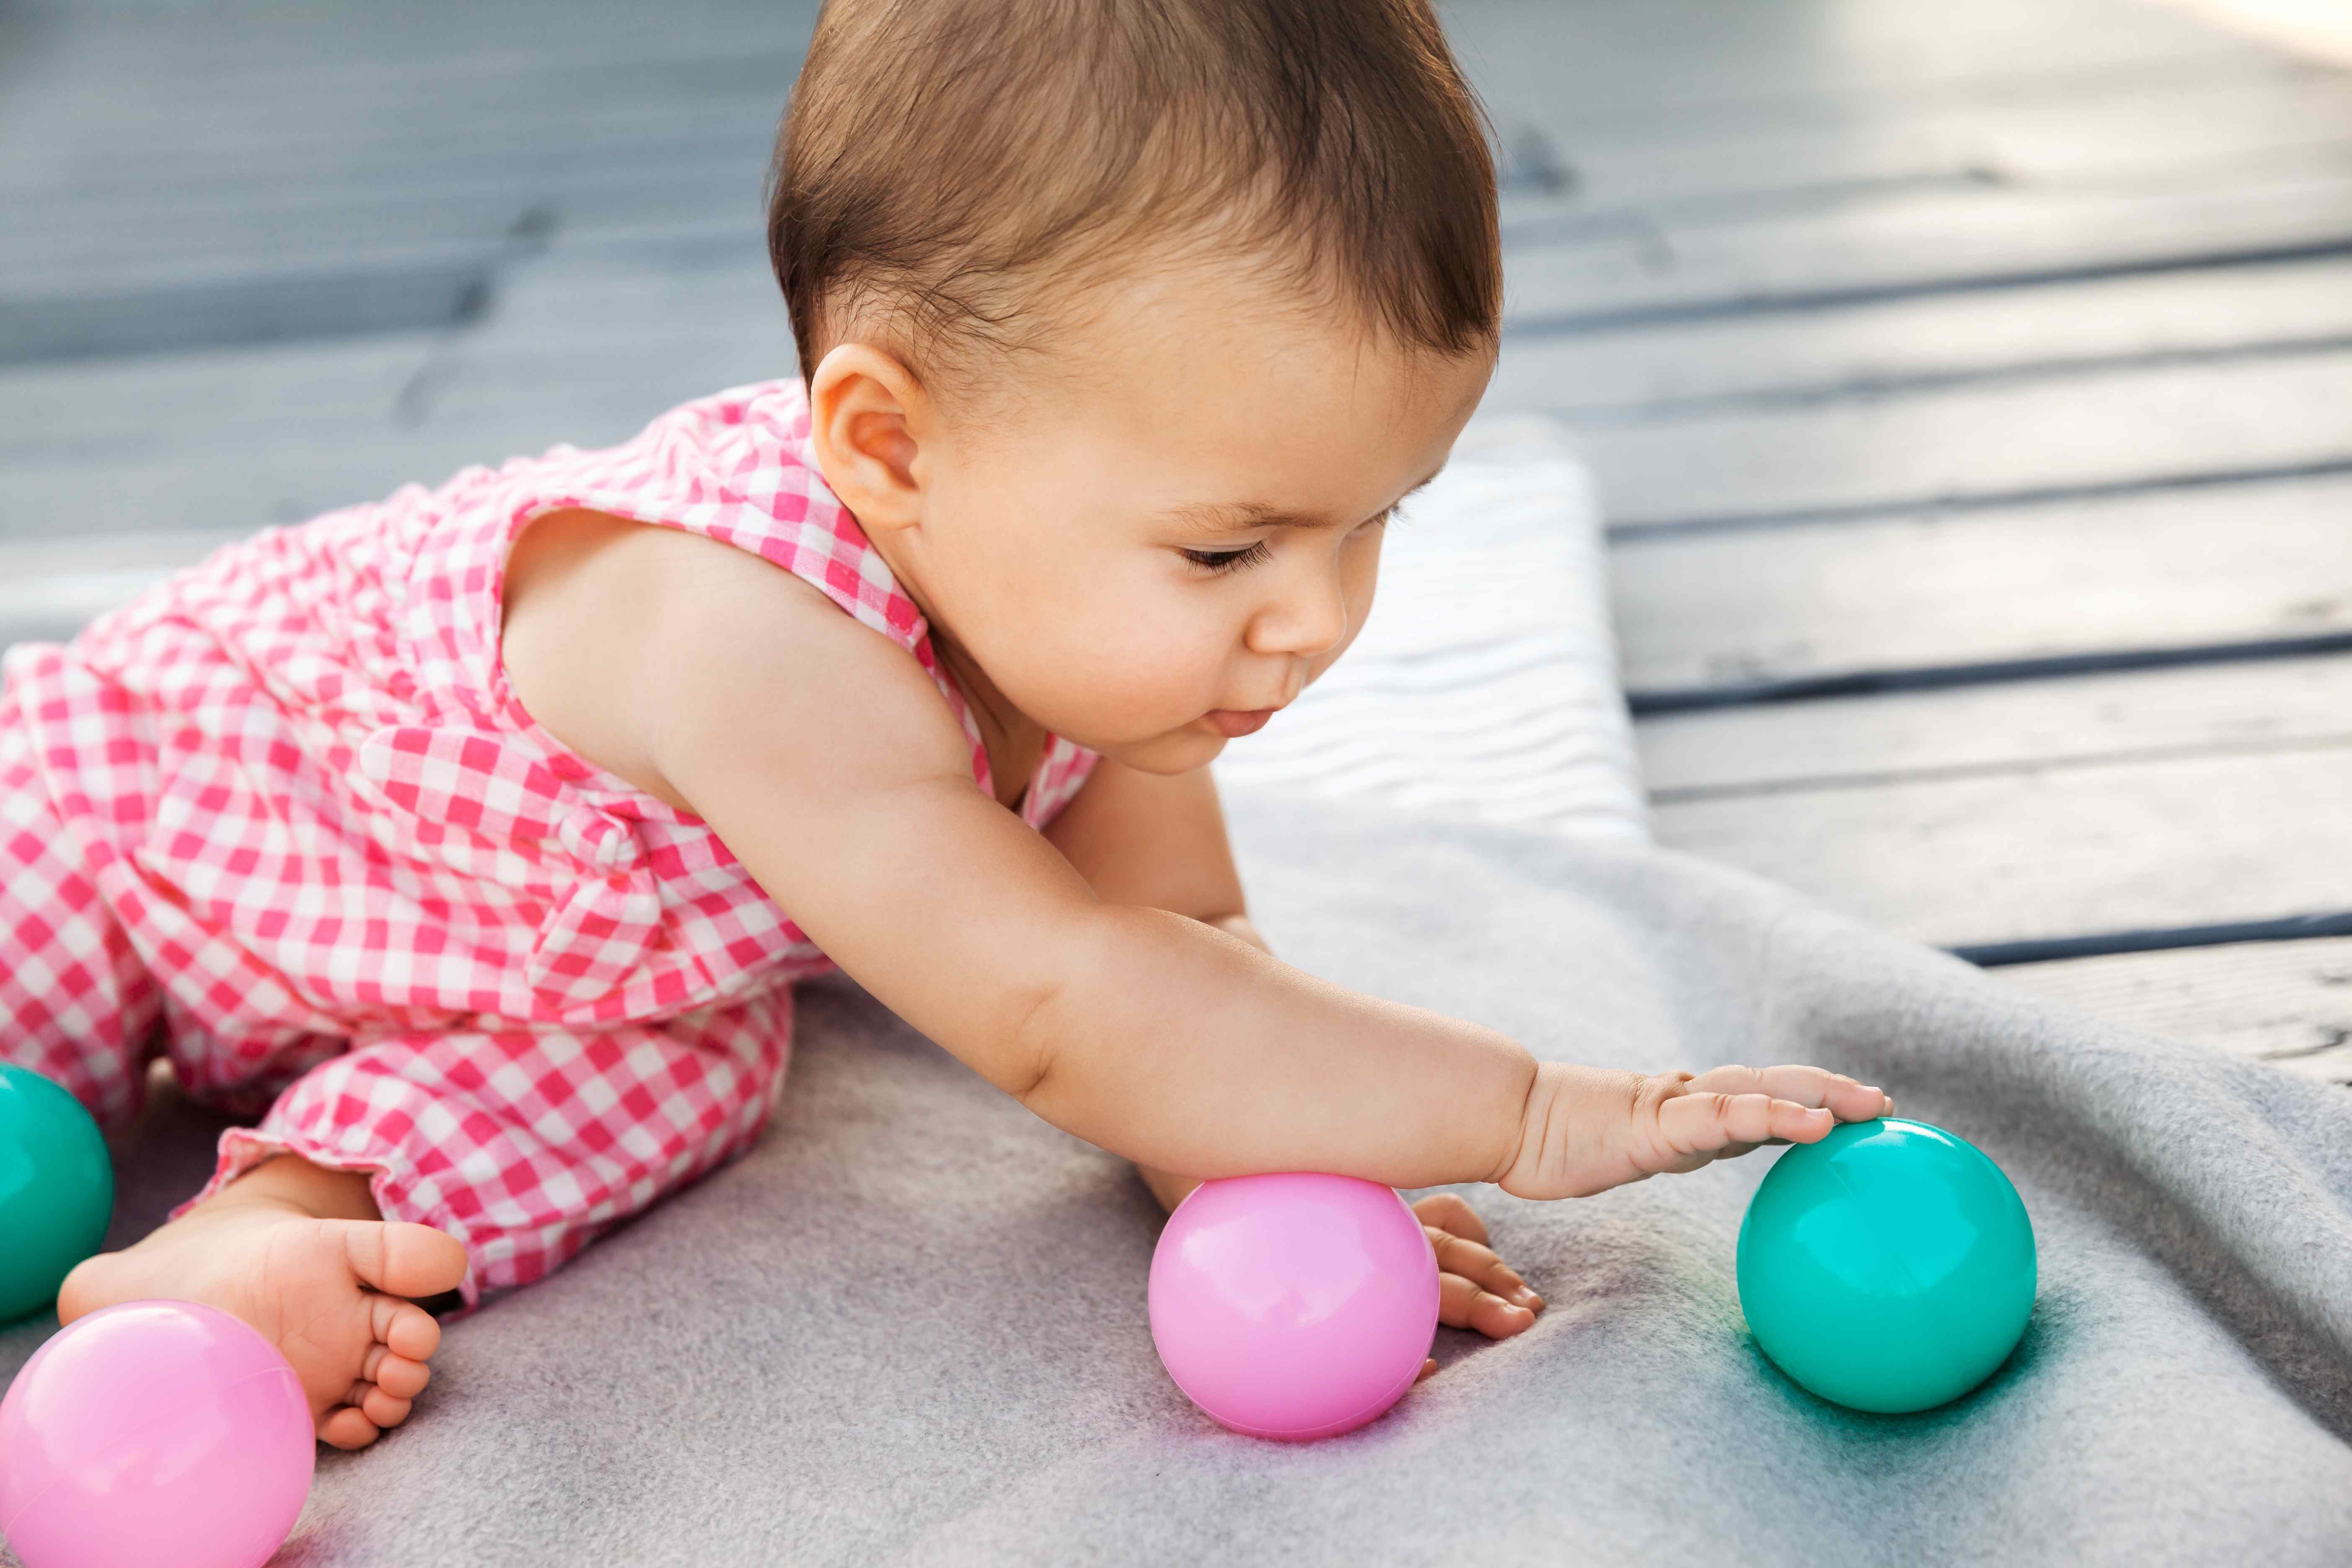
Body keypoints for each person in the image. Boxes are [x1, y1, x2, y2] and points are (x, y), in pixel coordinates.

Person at [5, 0, 1891, 1451]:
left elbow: (1170, 957)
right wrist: (1532, 1109)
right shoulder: (752, 637)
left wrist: (1239, 1130)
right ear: (887, 445)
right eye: (1230, 543)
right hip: (132, 828)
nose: (1313, 621)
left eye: (1376, 520)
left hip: (502, 973)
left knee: (696, 1066)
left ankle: (251, 1246)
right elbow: (1068, 1012)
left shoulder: (1116, 657)